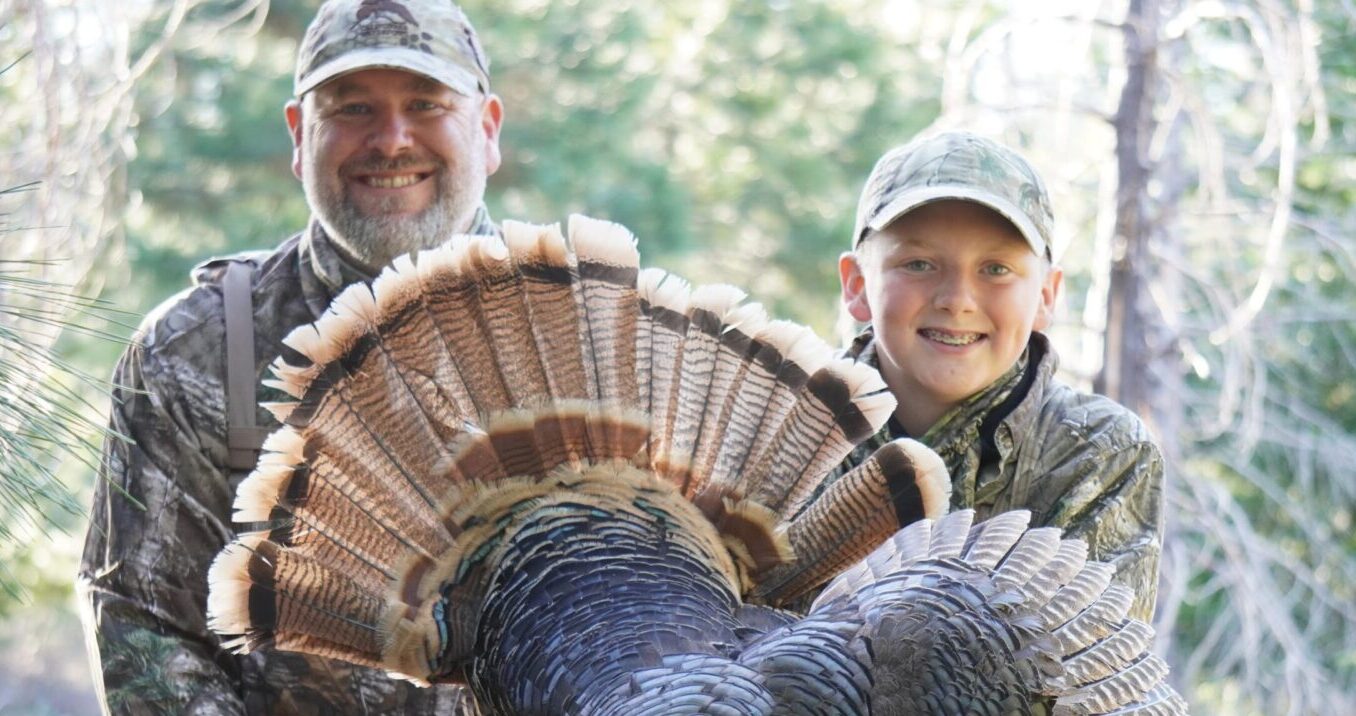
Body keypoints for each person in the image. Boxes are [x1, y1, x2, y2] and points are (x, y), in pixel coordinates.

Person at [77, 0, 502, 712]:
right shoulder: (198, 350)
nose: (391, 139)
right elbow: (144, 624)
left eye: (425, 103)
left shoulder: (604, 329)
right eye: (353, 108)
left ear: (486, 130)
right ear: (300, 136)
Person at [833, 131, 1165, 621]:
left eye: (995, 269)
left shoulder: (1100, 452)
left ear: (1047, 296)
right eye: (918, 264)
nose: (957, 299)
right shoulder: (777, 434)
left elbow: (1078, 681)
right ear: (858, 285)